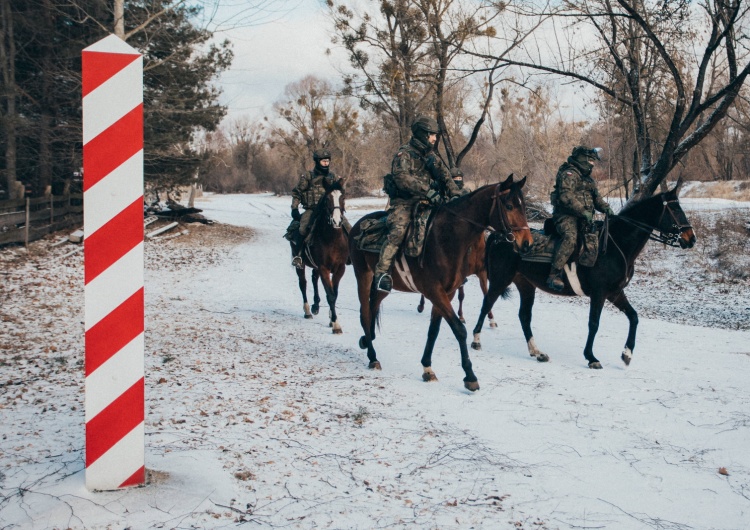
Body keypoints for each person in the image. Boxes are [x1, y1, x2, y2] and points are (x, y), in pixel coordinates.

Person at [372, 116, 463, 292]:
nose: (435, 139)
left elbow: (446, 176)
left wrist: (456, 194)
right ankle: (382, 273)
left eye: (435, 135)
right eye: (432, 135)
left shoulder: (431, 155)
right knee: (398, 231)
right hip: (406, 203)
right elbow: (402, 178)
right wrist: (427, 191)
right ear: (422, 134)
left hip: (430, 202)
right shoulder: (404, 154)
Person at [547, 145, 616, 291]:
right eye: (590, 160)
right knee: (570, 237)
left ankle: (587, 272)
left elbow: (596, 198)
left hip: (584, 217)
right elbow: (566, 196)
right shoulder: (569, 174)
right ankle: (555, 273)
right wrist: (582, 211)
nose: (592, 164)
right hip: (565, 216)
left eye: (593, 161)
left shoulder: (588, 180)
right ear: (582, 159)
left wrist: (606, 208)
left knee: (597, 238)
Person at [289, 149, 346, 268]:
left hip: (330, 209)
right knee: (303, 228)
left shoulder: (333, 177)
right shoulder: (308, 176)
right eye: (323, 161)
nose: (326, 164)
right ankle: (298, 256)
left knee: (348, 227)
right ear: (317, 162)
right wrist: (294, 208)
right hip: (312, 209)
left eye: (327, 161)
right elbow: (297, 192)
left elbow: (341, 192)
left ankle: (350, 254)